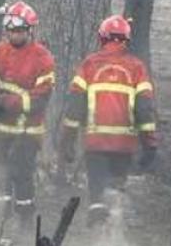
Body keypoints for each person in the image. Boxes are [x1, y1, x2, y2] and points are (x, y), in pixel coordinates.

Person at [58, 15, 157, 227]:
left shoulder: (89, 65)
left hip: (95, 141)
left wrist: (67, 141)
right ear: (126, 40)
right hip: (125, 144)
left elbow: (75, 106)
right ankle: (113, 235)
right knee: (116, 189)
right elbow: (144, 109)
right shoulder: (137, 68)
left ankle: (96, 209)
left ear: (102, 38)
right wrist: (150, 145)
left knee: (97, 188)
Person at [0, 1, 55, 228]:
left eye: (19, 31)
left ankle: (24, 219)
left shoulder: (43, 58)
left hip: (28, 132)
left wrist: (7, 102)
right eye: (11, 30)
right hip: (0, 128)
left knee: (21, 173)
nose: (14, 35)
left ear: (30, 31)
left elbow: (41, 99)